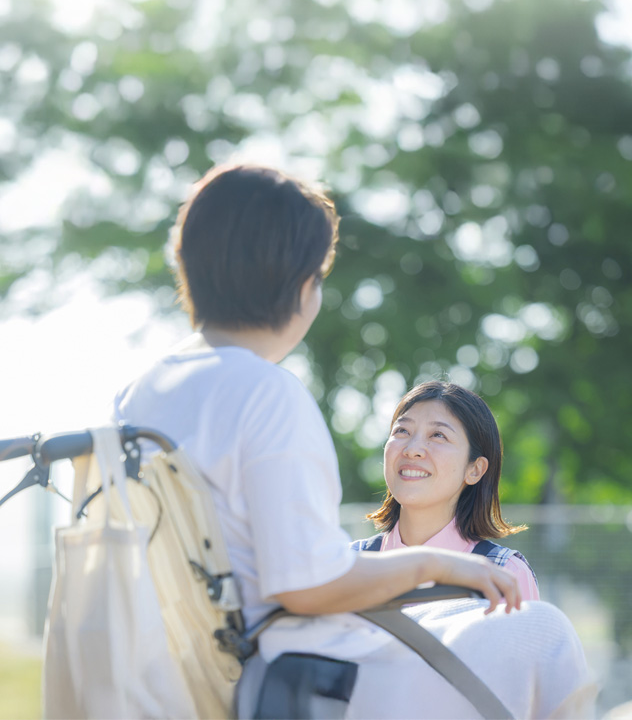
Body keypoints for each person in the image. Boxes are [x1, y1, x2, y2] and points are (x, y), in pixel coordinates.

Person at [113, 163, 593, 719]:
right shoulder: (268, 394)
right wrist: (432, 566)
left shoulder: (137, 396)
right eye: (319, 276)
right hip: (289, 676)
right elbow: (305, 587)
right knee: (545, 632)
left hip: (178, 669)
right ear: (298, 285)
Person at [352, 382, 539, 602]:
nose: (412, 450)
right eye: (402, 430)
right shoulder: (346, 566)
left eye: (438, 435)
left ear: (475, 469)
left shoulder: (506, 575)